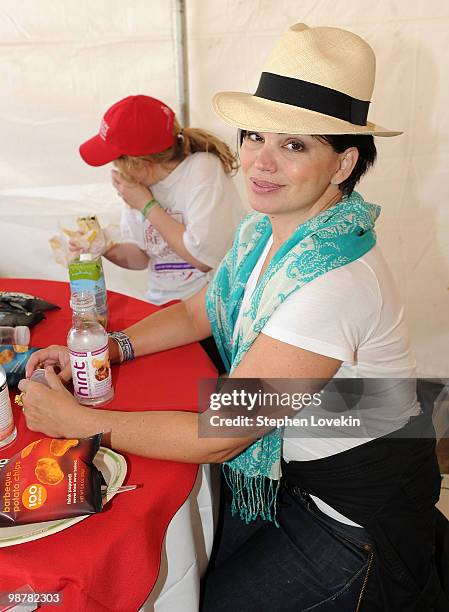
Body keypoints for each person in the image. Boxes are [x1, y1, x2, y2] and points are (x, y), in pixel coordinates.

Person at [20, 23, 447, 611]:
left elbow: (220, 436)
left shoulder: (335, 283)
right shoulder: (266, 233)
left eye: (293, 146)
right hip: (301, 463)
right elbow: (200, 310)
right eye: (253, 137)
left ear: (344, 163)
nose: (259, 163)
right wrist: (107, 347)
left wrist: (74, 420)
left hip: (351, 513)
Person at [78, 94, 246, 306]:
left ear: (138, 161)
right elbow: (140, 258)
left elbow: (203, 259)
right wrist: (103, 246)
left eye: (116, 160)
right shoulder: (139, 185)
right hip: (161, 304)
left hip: (211, 307)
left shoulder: (202, 168)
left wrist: (147, 206)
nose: (115, 168)